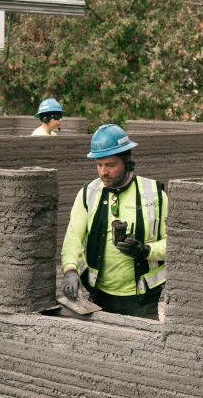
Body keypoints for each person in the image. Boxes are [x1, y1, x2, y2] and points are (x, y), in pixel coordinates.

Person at [60, 124, 167, 318]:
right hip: (99, 298)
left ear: (127, 163)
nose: (103, 172)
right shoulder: (88, 194)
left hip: (143, 300)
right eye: (99, 165)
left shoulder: (155, 195)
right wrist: (69, 269)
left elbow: (175, 244)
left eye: (110, 165)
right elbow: (73, 237)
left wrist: (146, 251)